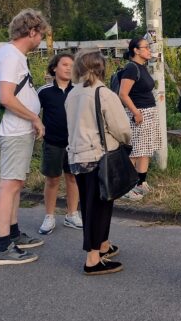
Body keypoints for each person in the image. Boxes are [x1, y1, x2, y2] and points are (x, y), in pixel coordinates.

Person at [65, 48, 131, 275]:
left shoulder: (72, 93)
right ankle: (92, 258)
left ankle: (102, 244)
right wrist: (125, 142)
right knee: (100, 205)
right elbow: (122, 129)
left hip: (77, 155)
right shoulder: (103, 94)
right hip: (99, 155)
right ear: (101, 68)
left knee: (91, 203)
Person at [0, 9, 49, 265]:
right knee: (9, 185)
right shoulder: (11, 56)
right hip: (14, 130)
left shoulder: (13, 55)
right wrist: (35, 118)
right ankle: (3, 246)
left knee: (16, 183)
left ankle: (13, 234)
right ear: (32, 31)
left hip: (19, 129)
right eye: (42, 35)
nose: (42, 40)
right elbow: (6, 97)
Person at [37, 53, 83, 235]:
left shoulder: (78, 90)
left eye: (72, 65)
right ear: (54, 68)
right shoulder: (44, 91)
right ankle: (49, 216)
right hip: (53, 143)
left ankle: (72, 214)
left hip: (75, 143)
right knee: (52, 179)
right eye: (64, 64)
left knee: (73, 178)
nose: (68, 68)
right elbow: (33, 113)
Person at [117, 37, 161, 201]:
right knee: (135, 151)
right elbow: (123, 94)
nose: (149, 50)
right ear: (136, 50)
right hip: (138, 114)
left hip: (147, 113)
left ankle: (141, 183)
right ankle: (125, 187)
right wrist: (136, 112)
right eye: (146, 47)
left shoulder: (142, 67)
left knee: (145, 150)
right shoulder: (131, 68)